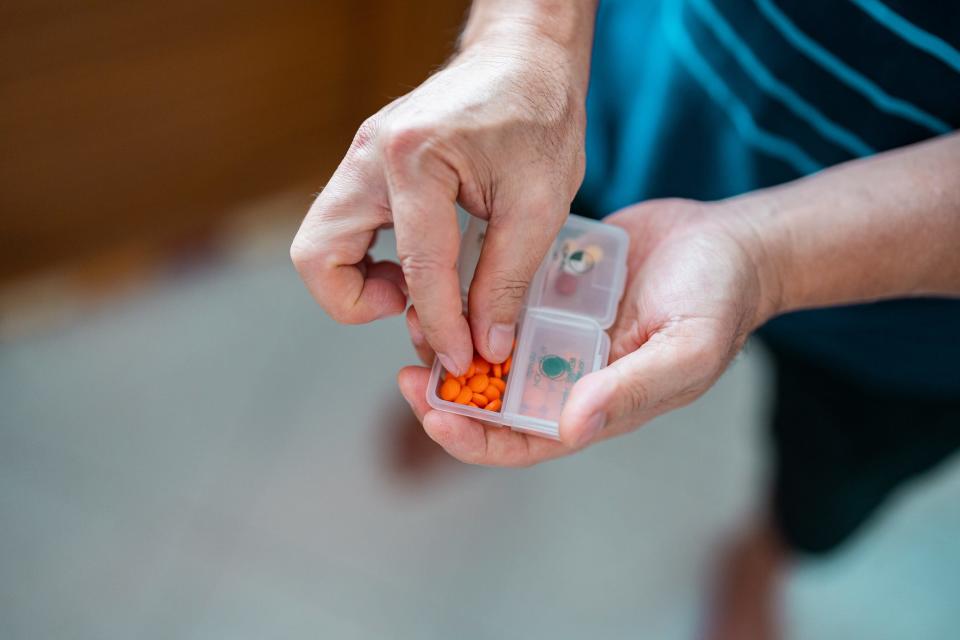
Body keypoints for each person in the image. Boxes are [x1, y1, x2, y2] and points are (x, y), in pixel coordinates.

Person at [292, 1, 960, 637]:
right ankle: (473, 400)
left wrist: (765, 260)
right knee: (499, 294)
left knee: (825, 496)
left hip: (912, 320)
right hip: (628, 112)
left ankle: (760, 564)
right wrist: (528, 37)